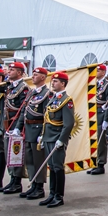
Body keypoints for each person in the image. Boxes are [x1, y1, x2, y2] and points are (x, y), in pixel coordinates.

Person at [38, 72, 77, 208]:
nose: (52, 83)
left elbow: (69, 123)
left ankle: (58, 196)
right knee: (52, 167)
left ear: (63, 83)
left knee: (58, 167)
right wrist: (43, 136)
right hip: (49, 137)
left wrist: (62, 139)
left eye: (55, 81)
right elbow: (47, 119)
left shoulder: (66, 100)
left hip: (57, 138)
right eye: (52, 81)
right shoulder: (53, 98)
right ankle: (52, 194)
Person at [17, 67, 52, 200]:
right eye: (33, 74)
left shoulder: (47, 94)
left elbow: (47, 116)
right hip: (28, 129)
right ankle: (33, 183)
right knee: (30, 160)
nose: (33, 77)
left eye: (36, 75)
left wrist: (43, 133)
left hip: (37, 130)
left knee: (38, 160)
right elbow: (24, 111)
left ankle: (39, 187)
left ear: (43, 77)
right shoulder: (31, 92)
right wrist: (18, 127)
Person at [0, 62, 29, 194]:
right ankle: (12, 179)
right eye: (9, 69)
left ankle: (17, 182)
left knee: (15, 153)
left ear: (19, 72)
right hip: (8, 123)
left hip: (16, 123)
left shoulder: (23, 88)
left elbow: (23, 109)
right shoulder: (11, 87)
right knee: (9, 153)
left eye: (12, 70)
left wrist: (18, 127)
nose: (9, 72)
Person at [88, 64, 108, 176]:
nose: (95, 73)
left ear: (103, 72)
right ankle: (94, 163)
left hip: (101, 113)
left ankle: (101, 163)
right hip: (93, 113)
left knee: (100, 140)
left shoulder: (107, 85)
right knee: (93, 140)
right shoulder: (94, 84)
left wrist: (106, 119)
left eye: (98, 71)